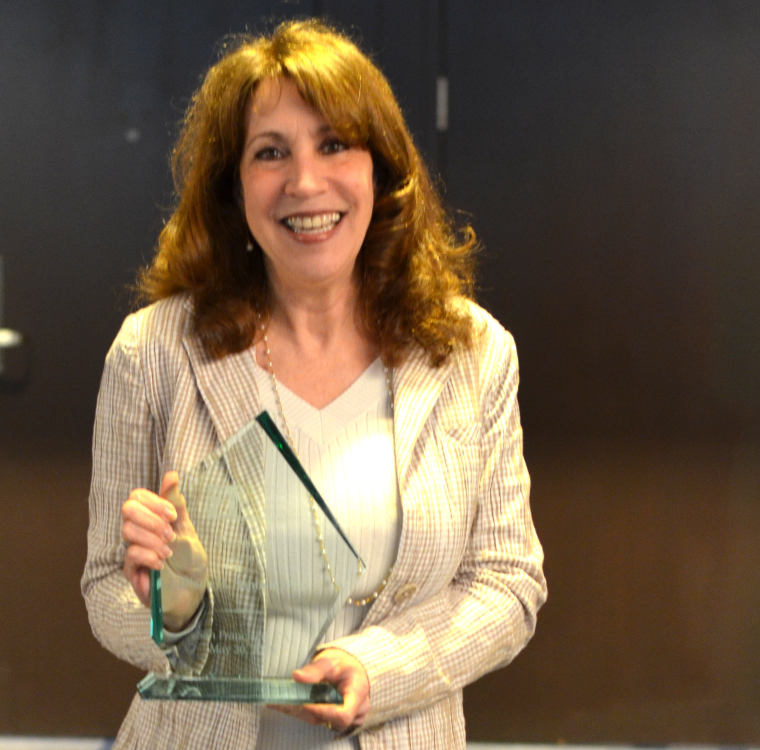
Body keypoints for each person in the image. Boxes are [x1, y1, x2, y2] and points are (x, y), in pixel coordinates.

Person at [81, 19, 546, 750]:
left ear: (381, 169)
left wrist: (375, 668)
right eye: (270, 153)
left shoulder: (472, 352)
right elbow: (106, 588)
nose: (305, 182)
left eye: (334, 144)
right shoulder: (154, 351)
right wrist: (179, 616)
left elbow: (508, 584)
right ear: (233, 187)